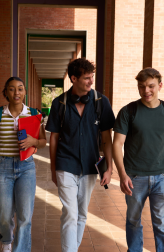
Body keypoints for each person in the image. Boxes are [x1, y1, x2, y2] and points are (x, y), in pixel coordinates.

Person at [45, 58, 115, 252]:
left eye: (91, 77)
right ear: (73, 78)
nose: (91, 82)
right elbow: (54, 139)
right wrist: (53, 169)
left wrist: (109, 167)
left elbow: (107, 139)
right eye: (86, 78)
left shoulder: (101, 102)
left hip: (90, 166)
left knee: (82, 214)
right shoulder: (59, 103)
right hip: (65, 164)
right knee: (70, 213)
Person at [113, 67, 164, 252]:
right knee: (133, 221)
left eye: (151, 86)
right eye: (142, 86)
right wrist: (122, 174)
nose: (146, 91)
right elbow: (117, 144)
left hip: (163, 177)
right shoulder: (128, 111)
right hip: (135, 178)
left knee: (162, 225)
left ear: (160, 85)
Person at [0, 77, 46, 252]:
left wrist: (33, 140)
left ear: (25, 92)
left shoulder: (34, 114)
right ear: (6, 93)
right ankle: (7, 240)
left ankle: (21, 249)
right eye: (11, 89)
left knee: (25, 215)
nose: (16, 92)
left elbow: (42, 142)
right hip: (2, 166)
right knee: (4, 213)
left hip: (26, 167)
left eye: (20, 88)